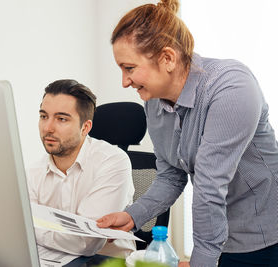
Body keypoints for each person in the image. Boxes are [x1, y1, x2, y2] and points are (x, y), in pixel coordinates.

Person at [96, 1, 278, 267]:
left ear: (167, 58)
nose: (124, 81)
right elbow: (171, 174)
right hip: (220, 239)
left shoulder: (231, 87)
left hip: (265, 239)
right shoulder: (154, 102)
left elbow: (209, 186)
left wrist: (200, 262)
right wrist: (133, 215)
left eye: (129, 68)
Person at [28, 79, 136, 258]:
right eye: (44, 116)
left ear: (85, 127)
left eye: (61, 119)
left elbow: (86, 242)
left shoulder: (113, 162)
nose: (48, 128)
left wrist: (33, 229)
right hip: (51, 258)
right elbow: (21, 229)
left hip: (107, 261)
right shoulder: (34, 171)